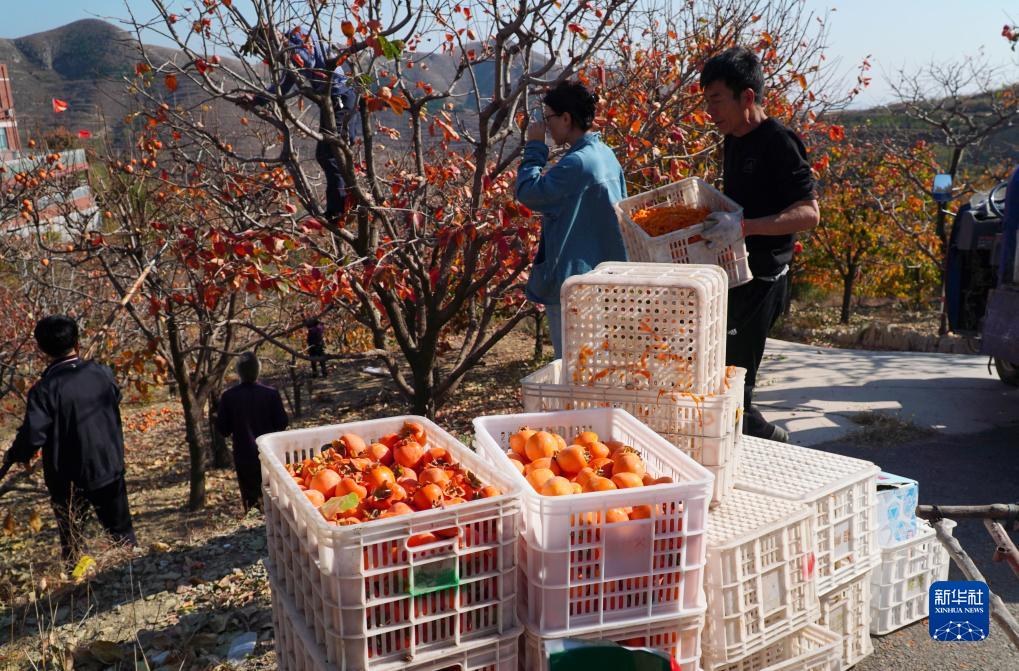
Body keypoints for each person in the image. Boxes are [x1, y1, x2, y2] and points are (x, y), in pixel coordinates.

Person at [699, 47, 820, 443]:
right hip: (735, 272)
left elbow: (809, 214)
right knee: (718, 378)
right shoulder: (733, 139)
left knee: (736, 389)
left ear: (747, 96)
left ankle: (770, 444)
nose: (709, 111)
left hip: (765, 278)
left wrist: (744, 227)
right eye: (707, 101)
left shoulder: (780, 142)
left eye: (716, 99)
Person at [2, 316, 136, 561]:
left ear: (41, 349)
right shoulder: (102, 373)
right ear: (77, 341)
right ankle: (131, 572)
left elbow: (33, 435)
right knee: (121, 534)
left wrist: (15, 454)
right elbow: (115, 398)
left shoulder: (44, 389)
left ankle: (77, 580)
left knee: (73, 541)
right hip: (108, 465)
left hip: (68, 478)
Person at [516, 80, 628, 358]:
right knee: (601, 363)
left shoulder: (577, 163)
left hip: (576, 286)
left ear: (566, 118)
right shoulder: (605, 154)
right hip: (605, 277)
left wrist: (534, 148)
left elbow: (527, 192)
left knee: (574, 366)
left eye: (549, 118)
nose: (547, 126)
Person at [239, 25, 359, 219]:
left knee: (330, 153)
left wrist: (286, 47)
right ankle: (343, 205)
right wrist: (257, 99)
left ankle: (341, 208)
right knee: (326, 154)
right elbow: (285, 83)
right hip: (332, 100)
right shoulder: (292, 45)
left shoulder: (298, 37)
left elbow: (307, 61)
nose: (270, 51)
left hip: (341, 97)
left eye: (267, 44)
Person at [215, 352, 289, 512]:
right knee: (276, 498)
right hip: (270, 454)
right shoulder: (271, 394)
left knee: (252, 503)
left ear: (238, 372)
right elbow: (282, 423)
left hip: (244, 456)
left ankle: (255, 522)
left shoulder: (229, 397)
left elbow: (223, 430)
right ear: (258, 370)